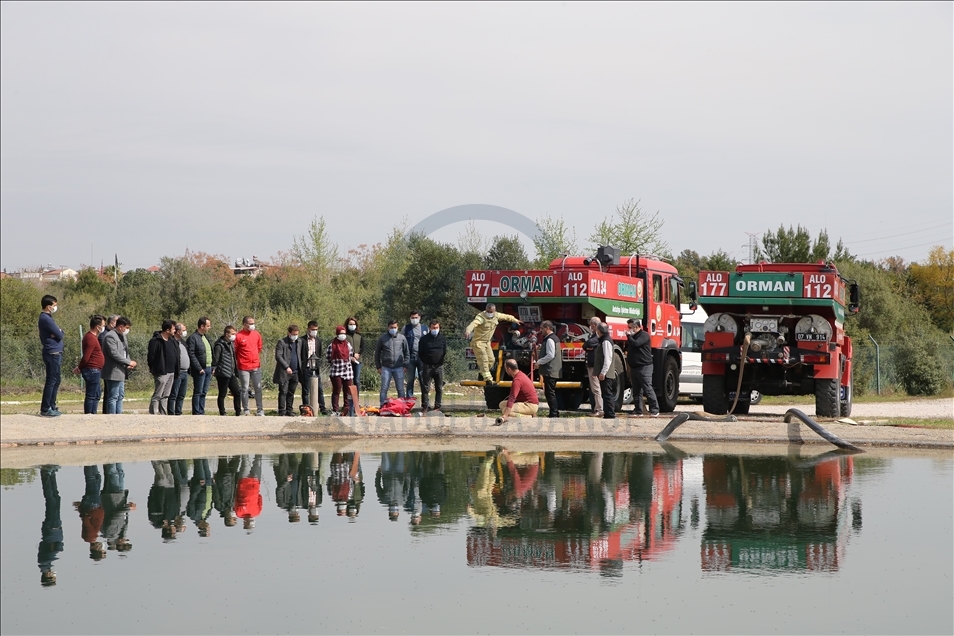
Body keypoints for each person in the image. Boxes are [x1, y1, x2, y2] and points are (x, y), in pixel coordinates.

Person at [465, 303, 520, 384]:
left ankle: (482, 372)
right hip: (478, 342)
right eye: (488, 311)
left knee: (492, 360)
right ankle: (488, 379)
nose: (489, 313)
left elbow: (506, 317)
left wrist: (515, 320)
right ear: (486, 310)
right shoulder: (481, 317)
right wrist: (468, 331)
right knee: (484, 359)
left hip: (487, 342)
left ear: (494, 311)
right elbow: (473, 324)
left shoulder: (496, 316)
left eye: (491, 312)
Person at [102, 317, 136, 414]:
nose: (127, 330)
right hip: (113, 371)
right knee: (113, 396)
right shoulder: (110, 336)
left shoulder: (122, 336)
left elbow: (125, 351)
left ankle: (119, 416)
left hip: (121, 370)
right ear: (121, 327)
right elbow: (114, 354)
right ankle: (112, 417)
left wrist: (128, 362)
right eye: (127, 327)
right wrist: (128, 362)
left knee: (120, 395)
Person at [626, 318, 659, 416]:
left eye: (630, 327)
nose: (629, 329)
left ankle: (654, 409)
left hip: (644, 366)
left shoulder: (644, 335)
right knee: (636, 391)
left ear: (636, 327)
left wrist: (629, 336)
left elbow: (636, 344)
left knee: (647, 388)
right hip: (635, 367)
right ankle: (638, 410)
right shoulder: (633, 337)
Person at [38, 295, 64, 417]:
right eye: (54, 305)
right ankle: (46, 408)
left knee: (56, 379)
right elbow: (59, 334)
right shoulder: (45, 318)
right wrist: (58, 332)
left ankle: (52, 405)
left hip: (56, 352)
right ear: (48, 307)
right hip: (52, 352)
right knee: (51, 380)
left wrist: (58, 332)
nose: (55, 307)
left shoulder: (48, 318)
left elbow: (58, 333)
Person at [74, 315, 106, 414]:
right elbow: (86, 356)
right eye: (103, 325)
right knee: (91, 395)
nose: (104, 328)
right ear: (98, 327)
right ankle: (89, 414)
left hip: (95, 370)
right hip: (92, 370)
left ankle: (93, 413)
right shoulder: (90, 338)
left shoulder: (93, 337)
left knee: (97, 394)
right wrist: (79, 367)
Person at [38, 465, 63, 587]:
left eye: (53, 577)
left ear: (48, 576)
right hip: (54, 529)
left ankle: (46, 474)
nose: (54, 574)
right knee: (56, 498)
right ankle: (52, 474)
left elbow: (57, 548)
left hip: (52, 529)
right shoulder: (46, 564)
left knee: (51, 500)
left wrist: (59, 547)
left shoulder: (44, 562)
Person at [74, 466, 106, 561]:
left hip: (92, 506)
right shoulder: (91, 536)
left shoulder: (90, 536)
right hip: (94, 506)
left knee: (91, 480)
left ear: (96, 549)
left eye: (102, 551)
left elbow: (86, 522)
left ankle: (88, 464)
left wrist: (84, 512)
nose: (102, 548)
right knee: (97, 478)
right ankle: (93, 463)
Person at [375, 319, 409, 407]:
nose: (393, 329)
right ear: (388, 328)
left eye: (395, 327)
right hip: (386, 368)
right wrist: (378, 366)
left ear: (397, 327)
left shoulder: (402, 338)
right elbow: (377, 353)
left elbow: (407, 353)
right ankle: (383, 406)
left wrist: (406, 365)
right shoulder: (382, 338)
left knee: (400, 389)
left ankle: (402, 407)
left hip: (399, 367)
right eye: (391, 327)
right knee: (384, 388)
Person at [147, 320, 178, 415]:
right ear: (167, 330)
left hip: (171, 371)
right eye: (173, 329)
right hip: (161, 372)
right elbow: (151, 357)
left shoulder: (172, 341)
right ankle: (153, 413)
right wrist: (155, 369)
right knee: (158, 394)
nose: (175, 330)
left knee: (165, 395)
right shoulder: (155, 341)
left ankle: (163, 414)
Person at [235, 316, 264, 416]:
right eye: (250, 323)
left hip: (256, 366)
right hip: (243, 367)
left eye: (253, 323)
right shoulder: (239, 336)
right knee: (245, 388)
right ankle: (246, 410)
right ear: (244, 324)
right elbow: (235, 351)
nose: (252, 325)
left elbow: (259, 347)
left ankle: (260, 410)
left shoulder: (256, 334)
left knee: (258, 388)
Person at [495, 359, 539, 424]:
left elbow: (512, 397)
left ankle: (528, 416)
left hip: (530, 405)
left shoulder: (517, 380)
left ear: (509, 369)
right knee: (502, 404)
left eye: (506, 368)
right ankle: (529, 413)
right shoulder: (520, 375)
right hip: (527, 403)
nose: (506, 370)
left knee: (505, 411)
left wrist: (505, 415)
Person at [273, 325, 303, 416]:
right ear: (289, 333)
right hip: (284, 372)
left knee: (291, 392)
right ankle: (282, 410)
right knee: (283, 392)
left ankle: (289, 410)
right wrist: (286, 367)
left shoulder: (299, 342)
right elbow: (278, 356)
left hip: (295, 372)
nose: (295, 336)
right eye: (293, 334)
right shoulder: (282, 342)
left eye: (297, 334)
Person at [418, 319, 447, 412]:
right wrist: (426, 361)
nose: (435, 329)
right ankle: (425, 406)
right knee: (425, 387)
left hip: (439, 366)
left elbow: (444, 351)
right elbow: (420, 353)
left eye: (437, 327)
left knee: (439, 387)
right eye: (433, 328)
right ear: (430, 328)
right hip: (427, 366)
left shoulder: (442, 338)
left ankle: (437, 406)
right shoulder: (424, 339)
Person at [213, 325, 242, 416]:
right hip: (222, 373)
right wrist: (214, 369)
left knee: (237, 392)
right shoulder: (219, 345)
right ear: (226, 334)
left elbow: (233, 358)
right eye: (232, 334)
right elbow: (216, 359)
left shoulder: (231, 344)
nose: (234, 336)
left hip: (231, 372)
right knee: (222, 394)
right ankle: (222, 412)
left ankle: (238, 411)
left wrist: (236, 370)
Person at [300, 320, 328, 416]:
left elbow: (319, 354)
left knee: (319, 389)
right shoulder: (302, 340)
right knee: (306, 390)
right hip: (306, 368)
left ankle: (322, 408)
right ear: (308, 329)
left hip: (315, 369)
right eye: (313, 329)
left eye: (316, 329)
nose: (314, 331)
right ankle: (306, 408)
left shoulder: (318, 340)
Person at [187, 317, 214, 415]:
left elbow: (211, 353)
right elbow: (191, 354)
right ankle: (196, 412)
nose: (209, 327)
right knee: (198, 392)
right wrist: (199, 368)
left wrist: (213, 367)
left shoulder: (206, 337)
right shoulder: (193, 338)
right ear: (202, 326)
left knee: (204, 392)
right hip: (200, 369)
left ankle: (201, 411)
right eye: (208, 326)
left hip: (209, 368)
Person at [537, 320, 563, 418]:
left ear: (547, 328)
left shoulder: (550, 339)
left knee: (549, 393)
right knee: (550, 392)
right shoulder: (554, 338)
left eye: (542, 328)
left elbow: (550, 355)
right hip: (552, 370)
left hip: (550, 370)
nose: (541, 330)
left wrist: (539, 362)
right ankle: (554, 412)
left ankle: (554, 413)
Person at [327, 326, 354, 415]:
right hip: (336, 371)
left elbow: (350, 356)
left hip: (347, 371)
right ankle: (335, 410)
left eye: (344, 333)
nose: (343, 335)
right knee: (336, 391)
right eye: (341, 333)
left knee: (347, 392)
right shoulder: (332, 345)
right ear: (337, 334)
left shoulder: (348, 345)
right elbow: (328, 357)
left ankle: (347, 409)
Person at [593, 322, 618, 419]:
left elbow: (608, 358)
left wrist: (603, 372)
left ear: (599, 331)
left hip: (606, 373)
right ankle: (608, 413)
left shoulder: (606, 341)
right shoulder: (604, 340)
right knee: (605, 393)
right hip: (606, 372)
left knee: (607, 394)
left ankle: (610, 414)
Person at [402, 311, 428, 400]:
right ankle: (409, 400)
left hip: (422, 358)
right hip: (410, 358)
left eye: (416, 317)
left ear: (419, 317)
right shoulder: (406, 328)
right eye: (412, 318)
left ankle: (425, 402)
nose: (414, 319)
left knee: (423, 380)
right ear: (410, 318)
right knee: (410, 380)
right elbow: (402, 342)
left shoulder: (425, 328)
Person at [167, 323, 191, 415]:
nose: (185, 332)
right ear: (177, 331)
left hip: (185, 372)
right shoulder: (172, 342)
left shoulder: (183, 342)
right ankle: (171, 412)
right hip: (177, 372)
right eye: (183, 330)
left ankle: (178, 412)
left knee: (181, 394)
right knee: (174, 394)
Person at [235, 455, 264, 531]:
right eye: (250, 523)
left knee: (245, 461)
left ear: (244, 523)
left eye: (247, 524)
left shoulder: (238, 513)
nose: (248, 521)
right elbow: (260, 498)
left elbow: (235, 498)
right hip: (255, 482)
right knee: (258, 460)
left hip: (243, 481)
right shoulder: (257, 512)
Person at [583, 316, 604, 417]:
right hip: (592, 364)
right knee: (594, 387)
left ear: (594, 325)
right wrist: (587, 346)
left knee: (596, 387)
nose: (590, 327)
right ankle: (597, 407)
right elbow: (585, 346)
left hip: (594, 365)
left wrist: (587, 345)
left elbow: (589, 343)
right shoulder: (594, 335)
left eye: (591, 325)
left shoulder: (598, 336)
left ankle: (599, 409)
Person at [99, 315, 119, 415]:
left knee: (113, 393)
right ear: (112, 323)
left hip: (114, 366)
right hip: (108, 366)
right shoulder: (105, 335)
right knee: (109, 393)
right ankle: (107, 413)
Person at [344, 317, 363, 396]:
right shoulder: (344, 336)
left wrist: (358, 354)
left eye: (353, 324)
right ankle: (348, 399)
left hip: (358, 361)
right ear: (347, 325)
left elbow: (362, 347)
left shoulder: (359, 335)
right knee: (348, 380)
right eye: (350, 324)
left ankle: (356, 399)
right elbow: (344, 347)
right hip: (348, 361)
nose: (352, 326)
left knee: (356, 380)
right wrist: (352, 355)